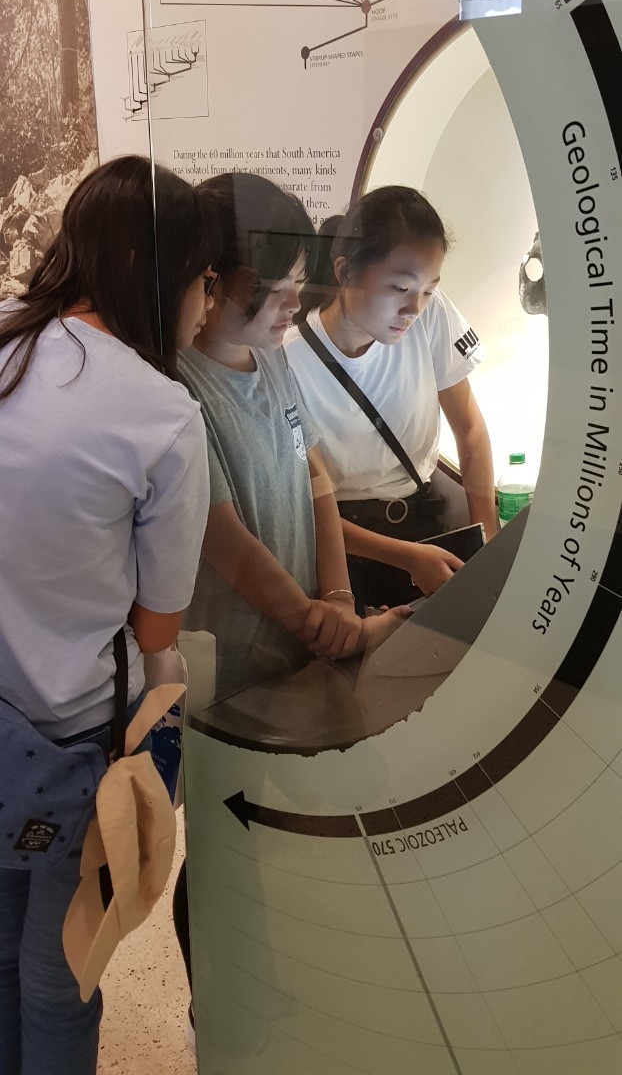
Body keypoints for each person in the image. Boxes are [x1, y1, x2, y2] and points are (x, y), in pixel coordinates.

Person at [0, 155, 217, 1075]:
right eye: (205, 278)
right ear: (158, 272)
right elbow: (157, 630)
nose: (208, 303)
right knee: (62, 978)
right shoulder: (161, 415)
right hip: (71, 744)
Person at [174, 173, 407, 1029]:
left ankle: (265, 990)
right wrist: (318, 622)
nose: (289, 309)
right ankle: (221, 1011)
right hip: (224, 668)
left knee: (272, 833)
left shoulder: (272, 360)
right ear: (207, 283)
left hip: (294, 654)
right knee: (221, 848)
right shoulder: (178, 387)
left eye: (296, 290)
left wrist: (336, 598)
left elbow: (315, 479)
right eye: (269, 292)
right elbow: (225, 540)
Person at [285, 185, 497, 612]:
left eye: (428, 289)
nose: (414, 308)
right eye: (399, 287)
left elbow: (470, 428)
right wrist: (406, 557)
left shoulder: (431, 316)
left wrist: (487, 541)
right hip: (339, 554)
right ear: (345, 272)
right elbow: (304, 506)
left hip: (425, 533)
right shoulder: (288, 358)